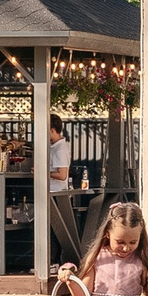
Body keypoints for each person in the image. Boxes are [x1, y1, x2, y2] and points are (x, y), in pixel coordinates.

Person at [47, 116, 80, 271]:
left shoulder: (60, 149)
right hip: (52, 192)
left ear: (52, 130)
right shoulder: (54, 147)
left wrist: (44, 172)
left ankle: (54, 262)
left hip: (57, 194)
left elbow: (62, 175)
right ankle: (52, 261)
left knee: (55, 230)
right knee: (51, 229)